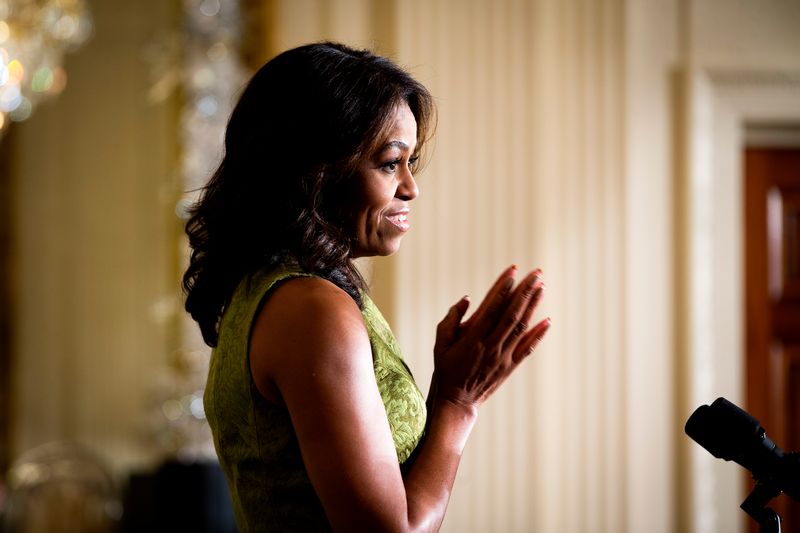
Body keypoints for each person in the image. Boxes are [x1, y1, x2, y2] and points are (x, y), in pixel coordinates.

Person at [183, 41, 550, 532]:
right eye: (388, 163)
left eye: (410, 163)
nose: (410, 187)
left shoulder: (278, 291)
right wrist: (457, 405)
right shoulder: (309, 309)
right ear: (314, 172)